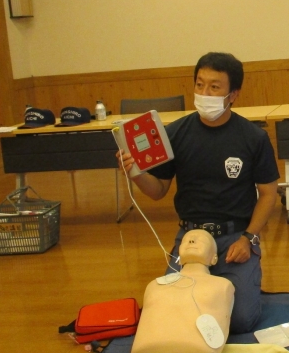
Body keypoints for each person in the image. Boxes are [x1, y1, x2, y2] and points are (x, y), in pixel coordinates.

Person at [117, 52, 280, 334]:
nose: (205, 93)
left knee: (240, 320)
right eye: (200, 84)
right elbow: (158, 191)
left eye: (215, 87)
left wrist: (248, 238)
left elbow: (268, 193)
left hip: (234, 237)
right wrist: (136, 173)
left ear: (233, 94)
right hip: (189, 238)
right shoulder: (175, 133)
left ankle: (240, 282)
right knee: (168, 312)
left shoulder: (253, 137)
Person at [131, 229, 235, 353]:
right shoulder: (154, 285)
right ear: (178, 255)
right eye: (186, 240)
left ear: (214, 259)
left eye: (201, 240)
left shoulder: (222, 285)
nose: (191, 241)